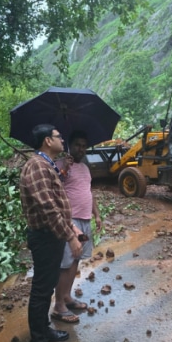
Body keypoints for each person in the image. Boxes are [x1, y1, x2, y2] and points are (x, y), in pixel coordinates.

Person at [18, 124, 83, 342]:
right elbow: (47, 208)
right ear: (47, 140)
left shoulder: (47, 165)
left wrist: (71, 227)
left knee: (46, 288)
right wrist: (69, 236)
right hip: (45, 236)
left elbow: (56, 202)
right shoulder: (36, 166)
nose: (62, 139)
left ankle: (44, 330)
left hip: (51, 236)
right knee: (41, 291)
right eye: (59, 136)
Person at [52, 130, 103, 323]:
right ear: (69, 146)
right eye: (77, 145)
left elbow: (89, 192)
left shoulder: (85, 168)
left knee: (76, 260)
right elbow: (54, 190)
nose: (80, 149)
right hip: (70, 221)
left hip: (85, 220)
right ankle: (58, 306)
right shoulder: (58, 166)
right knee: (65, 263)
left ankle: (66, 297)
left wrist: (97, 215)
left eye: (84, 146)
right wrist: (63, 168)